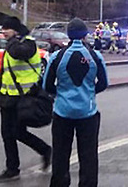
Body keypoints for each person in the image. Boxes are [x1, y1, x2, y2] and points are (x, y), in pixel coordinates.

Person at [43, 18, 109, 187]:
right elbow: (103, 83)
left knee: (60, 155)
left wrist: (61, 93)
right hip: (88, 114)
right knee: (88, 157)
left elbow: (47, 85)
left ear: (68, 35)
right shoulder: (95, 56)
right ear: (86, 35)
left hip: (62, 113)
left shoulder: (57, 57)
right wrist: (89, 92)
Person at [0, 16, 51, 184]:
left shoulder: (28, 43)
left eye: (7, 29)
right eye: (2, 29)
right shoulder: (13, 43)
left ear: (16, 30)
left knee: (15, 132)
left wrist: (12, 40)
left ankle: (41, 153)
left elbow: (19, 53)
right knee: (9, 134)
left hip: (24, 98)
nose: (3, 31)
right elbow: (6, 72)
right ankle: (15, 167)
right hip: (8, 99)